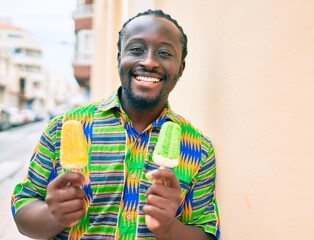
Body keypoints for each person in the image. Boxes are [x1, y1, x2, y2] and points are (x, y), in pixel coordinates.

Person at [11, 9, 220, 240]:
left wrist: (168, 227)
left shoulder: (199, 149)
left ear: (180, 68)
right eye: (136, 49)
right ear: (120, 58)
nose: (149, 61)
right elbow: (23, 208)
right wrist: (53, 216)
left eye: (164, 53)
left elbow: (206, 232)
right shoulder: (64, 127)